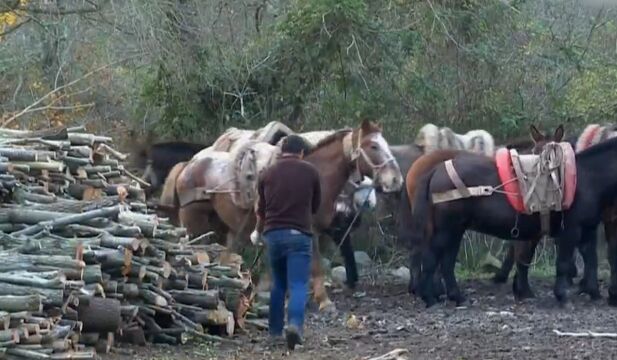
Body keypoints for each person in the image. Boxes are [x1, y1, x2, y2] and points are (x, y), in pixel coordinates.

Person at [253, 134, 321, 351]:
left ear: (282, 151)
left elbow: (261, 210)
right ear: (301, 153)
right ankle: (294, 326)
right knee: (298, 284)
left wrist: (259, 230)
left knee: (278, 284)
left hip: (273, 234)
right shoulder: (310, 171)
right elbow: (316, 205)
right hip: (299, 235)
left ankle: (274, 332)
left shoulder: (266, 174)